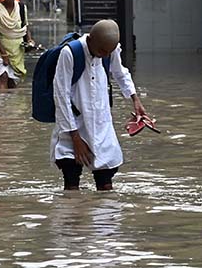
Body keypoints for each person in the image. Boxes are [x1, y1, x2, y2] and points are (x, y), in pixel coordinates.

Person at [51, 19, 148, 190]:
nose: (104, 55)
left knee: (106, 187)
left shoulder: (110, 50)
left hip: (101, 125)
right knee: (71, 186)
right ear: (90, 40)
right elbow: (61, 96)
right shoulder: (70, 53)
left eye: (108, 52)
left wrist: (135, 100)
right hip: (73, 127)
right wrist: (75, 138)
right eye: (101, 51)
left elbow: (120, 73)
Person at [0, 0, 34, 90]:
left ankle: (12, 106)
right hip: (0, 50)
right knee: (3, 76)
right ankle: (1, 106)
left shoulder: (22, 8)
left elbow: (25, 27)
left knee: (12, 83)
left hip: (17, 50)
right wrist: (3, 54)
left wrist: (30, 41)